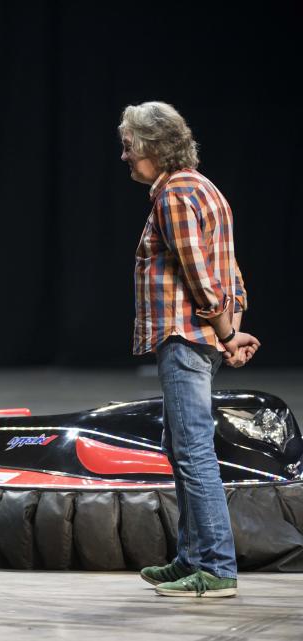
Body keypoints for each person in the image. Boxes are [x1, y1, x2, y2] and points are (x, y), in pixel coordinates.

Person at [119, 102, 260, 598]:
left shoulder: (175, 197)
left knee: (194, 451)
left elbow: (201, 278)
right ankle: (191, 559)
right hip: (201, 339)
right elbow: (232, 272)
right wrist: (232, 331)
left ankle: (217, 569)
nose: (125, 156)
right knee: (180, 448)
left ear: (156, 148)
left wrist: (224, 334)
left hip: (184, 340)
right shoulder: (205, 189)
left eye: (131, 146)